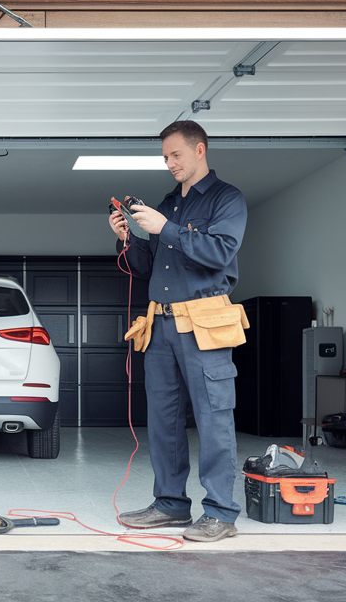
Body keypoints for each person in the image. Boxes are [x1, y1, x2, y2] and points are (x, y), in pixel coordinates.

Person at [108, 119, 248, 543]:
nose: (169, 163)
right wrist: (128, 239)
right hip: (161, 325)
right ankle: (170, 505)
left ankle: (221, 512)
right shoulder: (167, 203)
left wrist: (164, 228)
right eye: (165, 157)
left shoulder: (228, 199)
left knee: (213, 419)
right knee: (164, 420)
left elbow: (220, 251)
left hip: (205, 323)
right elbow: (146, 268)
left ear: (199, 150)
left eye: (176, 155)